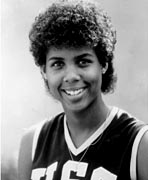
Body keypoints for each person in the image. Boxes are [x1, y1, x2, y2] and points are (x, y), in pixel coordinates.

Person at [18, 0, 148, 179]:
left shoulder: (139, 144)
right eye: (58, 64)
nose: (71, 76)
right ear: (44, 71)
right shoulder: (33, 142)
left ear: (103, 64)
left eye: (83, 61)